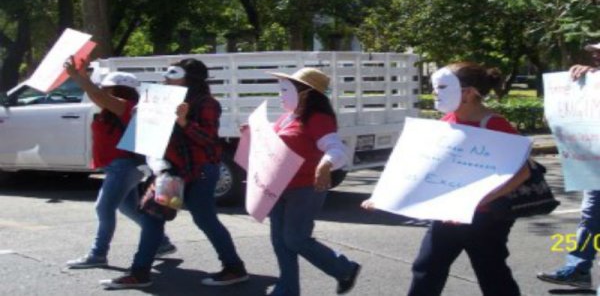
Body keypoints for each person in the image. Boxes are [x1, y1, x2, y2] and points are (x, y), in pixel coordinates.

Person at [364, 62, 530, 296]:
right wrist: (384, 196)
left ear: (470, 93)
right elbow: (423, 167)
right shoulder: (447, 121)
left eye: (442, 87)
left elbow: (522, 173)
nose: (434, 93)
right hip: (445, 216)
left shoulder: (496, 125)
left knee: (492, 275)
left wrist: (475, 202)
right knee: (426, 268)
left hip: (484, 219)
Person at [99, 58, 249, 289]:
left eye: (173, 73)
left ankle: (234, 268)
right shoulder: (163, 99)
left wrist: (183, 121)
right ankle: (140, 273)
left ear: (189, 78)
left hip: (199, 171)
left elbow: (209, 140)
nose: (166, 77)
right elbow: (150, 137)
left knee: (205, 219)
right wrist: (144, 117)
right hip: (171, 170)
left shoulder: (206, 103)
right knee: (152, 216)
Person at [64, 57, 176, 269]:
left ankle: (98, 254)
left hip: (123, 166)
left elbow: (96, 94)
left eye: (108, 87)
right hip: (121, 166)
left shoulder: (126, 106)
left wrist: (80, 78)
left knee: (103, 208)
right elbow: (96, 96)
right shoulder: (117, 106)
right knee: (129, 208)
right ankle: (162, 242)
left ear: (119, 90)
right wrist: (83, 79)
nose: (103, 90)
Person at [265, 67, 361, 296]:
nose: (280, 94)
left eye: (285, 89)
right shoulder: (287, 117)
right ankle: (287, 290)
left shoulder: (319, 118)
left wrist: (325, 165)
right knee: (280, 241)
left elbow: (336, 149)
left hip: (305, 188)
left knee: (295, 239)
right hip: (279, 187)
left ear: (305, 94)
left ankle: (344, 268)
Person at [537, 42, 600, 289]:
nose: (594, 54)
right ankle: (577, 269)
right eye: (595, 51)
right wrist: (580, 85)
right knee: (591, 217)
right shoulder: (593, 80)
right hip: (596, 166)